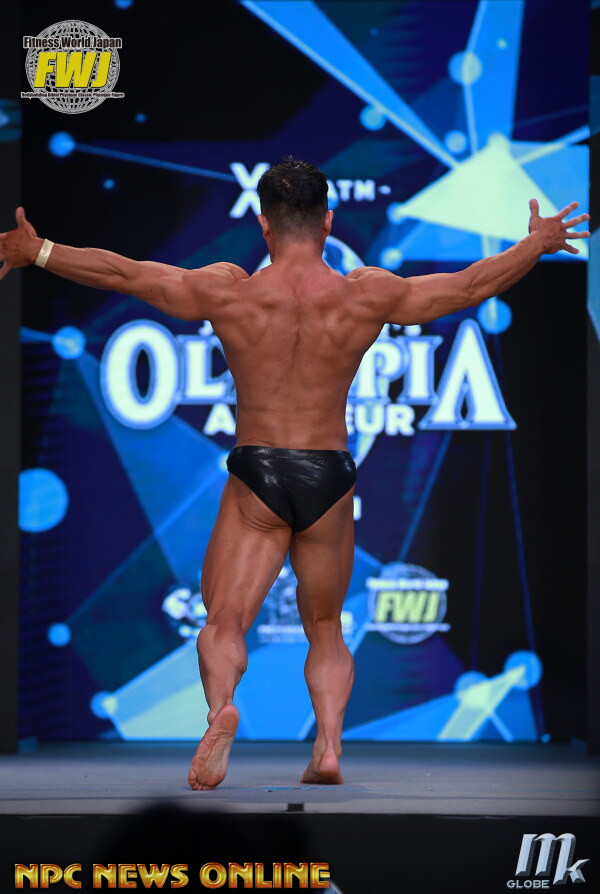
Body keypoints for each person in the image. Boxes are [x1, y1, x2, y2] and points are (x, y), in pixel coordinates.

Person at [0, 158, 590, 789]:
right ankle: (328, 748)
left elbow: (124, 273)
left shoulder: (229, 291)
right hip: (328, 473)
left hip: (259, 468)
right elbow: (469, 286)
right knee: (326, 627)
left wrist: (40, 252)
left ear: (263, 224)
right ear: (328, 220)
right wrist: (535, 244)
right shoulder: (365, 294)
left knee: (224, 620)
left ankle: (221, 710)